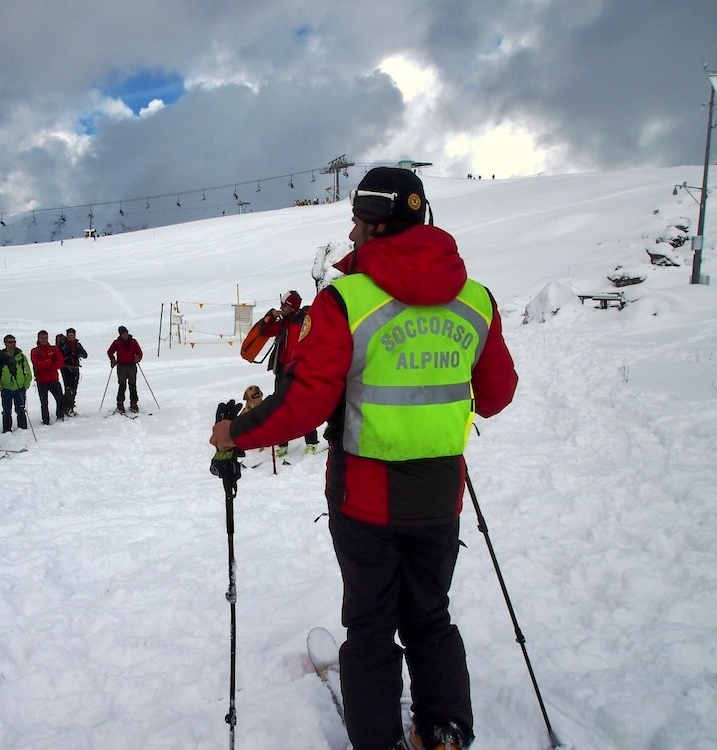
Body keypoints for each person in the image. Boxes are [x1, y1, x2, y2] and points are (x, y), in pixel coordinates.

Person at [210, 167, 518, 750]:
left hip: (365, 500)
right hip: (438, 496)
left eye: (355, 222)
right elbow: (497, 395)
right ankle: (446, 730)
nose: (350, 234)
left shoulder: (345, 300)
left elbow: (302, 405)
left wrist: (234, 433)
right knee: (430, 618)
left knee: (372, 627)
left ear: (375, 225)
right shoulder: (476, 300)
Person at [254, 290, 320, 457]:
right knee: (280, 408)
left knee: (304, 407)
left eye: (284, 305)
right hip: (282, 370)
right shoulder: (283, 322)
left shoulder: (303, 320)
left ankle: (311, 442)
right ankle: (282, 444)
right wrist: (270, 316)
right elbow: (265, 331)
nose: (281, 307)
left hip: (300, 370)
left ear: (292, 306)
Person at [0, 334, 32, 432]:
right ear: (5, 343)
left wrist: (26, 385)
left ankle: (22, 428)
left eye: (14, 342)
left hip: (20, 388)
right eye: (10, 342)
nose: (13, 344)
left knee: (20, 409)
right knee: (6, 410)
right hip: (6, 388)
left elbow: (28, 372)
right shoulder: (1, 357)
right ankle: (7, 429)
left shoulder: (21, 356)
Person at [31, 330, 65, 424]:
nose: (44, 340)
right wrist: (50, 362)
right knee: (44, 402)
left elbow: (60, 362)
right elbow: (37, 364)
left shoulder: (53, 349)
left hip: (53, 379)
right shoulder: (35, 351)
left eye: (46, 338)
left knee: (60, 399)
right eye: (42, 338)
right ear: (38, 339)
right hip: (41, 380)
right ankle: (45, 420)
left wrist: (48, 365)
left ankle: (60, 417)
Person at [106, 325, 142, 413]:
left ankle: (134, 402)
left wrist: (138, 358)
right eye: (123, 333)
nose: (125, 335)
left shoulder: (133, 342)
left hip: (131, 366)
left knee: (132, 384)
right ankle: (120, 402)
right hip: (121, 366)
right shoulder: (117, 343)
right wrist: (113, 359)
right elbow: (110, 352)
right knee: (122, 385)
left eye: (126, 333)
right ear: (120, 334)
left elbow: (139, 352)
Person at [59, 327, 88, 415]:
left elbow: (85, 355)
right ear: (67, 336)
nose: (71, 337)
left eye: (72, 335)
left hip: (75, 368)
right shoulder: (62, 345)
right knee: (68, 389)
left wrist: (78, 351)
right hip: (66, 368)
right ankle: (66, 408)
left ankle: (69, 407)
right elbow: (58, 356)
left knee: (74, 388)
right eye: (69, 335)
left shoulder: (77, 345)